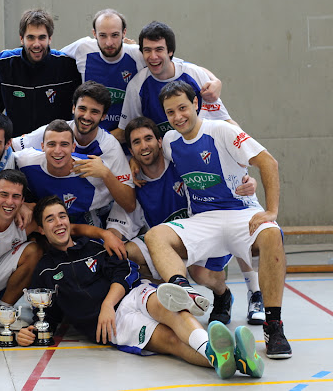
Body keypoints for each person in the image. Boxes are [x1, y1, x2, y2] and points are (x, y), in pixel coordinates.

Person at [15, 196, 264, 380]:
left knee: (172, 311)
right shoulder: (44, 271)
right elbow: (48, 315)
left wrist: (107, 304)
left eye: (62, 216)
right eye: (50, 219)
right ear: (41, 228)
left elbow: (123, 270)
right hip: (113, 327)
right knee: (171, 342)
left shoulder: (93, 246)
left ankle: (215, 348)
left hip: (131, 295)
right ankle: (236, 360)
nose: (58, 223)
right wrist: (30, 332)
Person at [144, 80, 292, 359]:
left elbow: (267, 162)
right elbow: (153, 163)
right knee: (156, 237)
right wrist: (132, 163)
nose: (178, 116)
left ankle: (274, 327)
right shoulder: (170, 142)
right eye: (171, 112)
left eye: (183, 108)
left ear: (196, 105)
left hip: (241, 213)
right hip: (204, 220)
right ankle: (184, 289)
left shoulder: (222, 130)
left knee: (272, 233)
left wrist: (271, 211)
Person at [0, 170, 125, 341]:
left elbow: (71, 228)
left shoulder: (26, 221)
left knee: (33, 250)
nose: (9, 202)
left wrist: (105, 234)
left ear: (23, 200)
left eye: (16, 197)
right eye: (4, 195)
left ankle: (3, 312)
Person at [113, 116, 265, 325]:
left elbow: (227, 164)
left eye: (148, 139)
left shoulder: (180, 161)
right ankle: (169, 297)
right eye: (136, 142)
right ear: (130, 150)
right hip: (166, 242)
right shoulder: (134, 181)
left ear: (160, 142)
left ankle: (223, 295)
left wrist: (247, 181)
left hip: (203, 232)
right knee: (126, 254)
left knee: (201, 274)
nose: (144, 146)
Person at [61, 9, 221, 141]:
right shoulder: (82, 49)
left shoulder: (138, 54)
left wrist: (215, 81)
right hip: (88, 136)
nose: (109, 42)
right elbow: (50, 57)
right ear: (94, 34)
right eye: (103, 35)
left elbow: (181, 65)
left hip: (122, 140)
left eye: (115, 35)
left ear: (124, 33)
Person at [118, 21, 233, 143]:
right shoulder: (136, 86)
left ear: (170, 51)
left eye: (159, 49)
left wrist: (244, 150)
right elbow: (130, 132)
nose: (153, 56)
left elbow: (225, 121)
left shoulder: (195, 74)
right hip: (163, 157)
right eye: (147, 50)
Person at [0, 9, 81, 137]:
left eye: (42, 37)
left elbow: (80, 107)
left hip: (54, 148)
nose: (36, 44)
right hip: (16, 146)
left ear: (50, 38)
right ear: (21, 39)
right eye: (30, 37)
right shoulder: (5, 66)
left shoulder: (67, 66)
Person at [15, 119, 136, 227]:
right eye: (51, 144)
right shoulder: (25, 161)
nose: (57, 151)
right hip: (44, 225)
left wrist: (107, 174)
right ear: (42, 147)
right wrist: (20, 204)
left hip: (86, 226)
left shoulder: (93, 171)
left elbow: (129, 204)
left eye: (64, 144)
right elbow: (4, 151)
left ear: (73, 147)